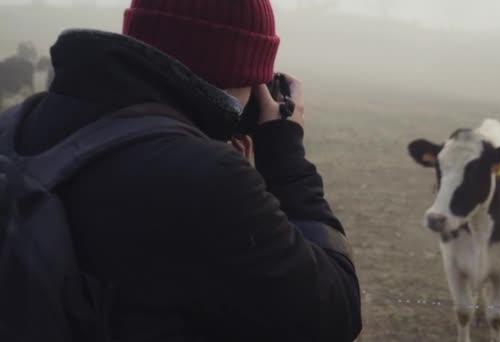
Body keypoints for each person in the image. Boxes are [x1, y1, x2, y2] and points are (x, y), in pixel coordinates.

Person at [10, 0, 362, 341]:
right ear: (243, 72)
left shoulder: (15, 125)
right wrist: (283, 153)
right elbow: (333, 314)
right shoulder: (205, 175)